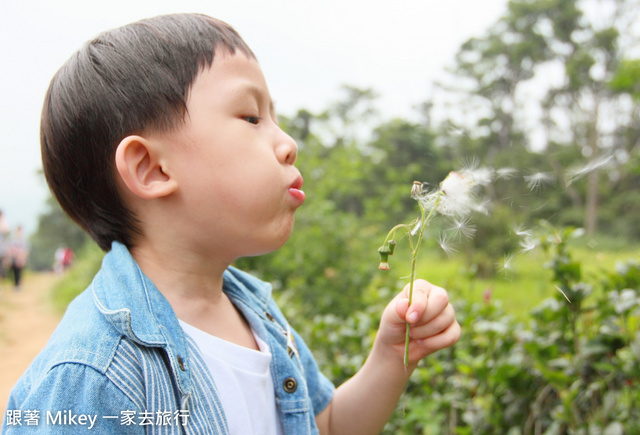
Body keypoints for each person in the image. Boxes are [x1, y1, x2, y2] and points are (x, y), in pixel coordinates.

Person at [3, 14, 460, 434]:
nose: (288, 144)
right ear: (152, 169)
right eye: (251, 118)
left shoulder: (256, 314)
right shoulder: (89, 378)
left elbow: (327, 426)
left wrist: (390, 356)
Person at [7, 226, 29, 290]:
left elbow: (26, 250)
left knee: (20, 271)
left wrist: (24, 258)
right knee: (14, 271)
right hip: (14, 258)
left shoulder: (24, 239)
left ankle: (18, 284)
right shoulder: (13, 239)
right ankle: (15, 284)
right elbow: (10, 249)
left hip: (21, 258)